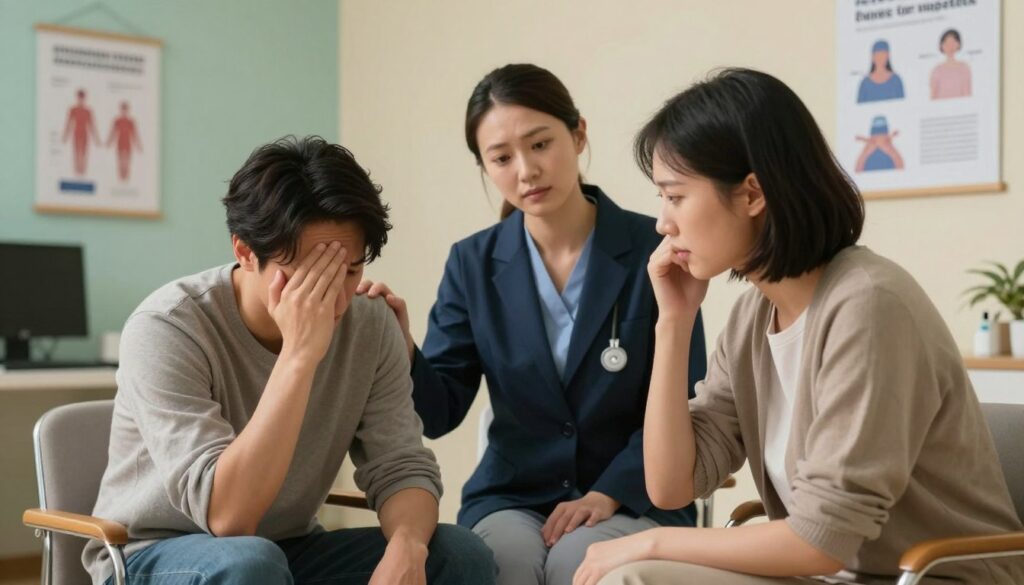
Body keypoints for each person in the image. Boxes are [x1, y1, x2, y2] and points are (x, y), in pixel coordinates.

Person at [572, 68, 1024, 585]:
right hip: (833, 576)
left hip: (936, 577)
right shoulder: (751, 320)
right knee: (634, 575)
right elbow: (672, 486)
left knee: (635, 572)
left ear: (751, 195)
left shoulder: (869, 306)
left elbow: (820, 540)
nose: (662, 223)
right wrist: (674, 322)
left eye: (674, 196)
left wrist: (650, 540)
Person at [83, 136, 495, 585]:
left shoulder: (370, 323)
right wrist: (300, 354)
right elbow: (228, 517)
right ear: (244, 251)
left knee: (459, 553)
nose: (334, 300)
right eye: (306, 276)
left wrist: (407, 549)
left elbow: (400, 465)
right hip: (155, 553)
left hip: (287, 548)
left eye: (349, 271)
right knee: (250, 563)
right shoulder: (167, 327)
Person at [358, 64, 707, 585]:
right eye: (501, 158)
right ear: (485, 166)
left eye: (540, 144)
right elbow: (440, 411)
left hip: (633, 494)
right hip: (513, 496)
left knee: (576, 562)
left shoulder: (653, 250)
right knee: (505, 565)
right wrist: (402, 343)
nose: (525, 170)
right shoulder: (472, 264)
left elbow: (685, 400)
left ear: (578, 134)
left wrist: (608, 491)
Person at [62, 89, 100, 176]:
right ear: (77, 98)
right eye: (79, 97)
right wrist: (65, 136)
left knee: (83, 152)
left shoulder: (88, 111)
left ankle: (83, 171)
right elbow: (69, 123)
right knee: (76, 152)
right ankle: (76, 170)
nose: (81, 99)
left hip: (85, 133)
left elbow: (92, 125)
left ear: (84, 98)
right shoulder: (73, 109)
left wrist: (96, 139)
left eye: (82, 98)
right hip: (76, 132)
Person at [930, 29, 972, 100]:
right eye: (947, 43)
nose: (950, 46)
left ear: (958, 44)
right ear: (941, 46)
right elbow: (933, 97)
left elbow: (967, 95)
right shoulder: (937, 70)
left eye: (953, 42)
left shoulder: (964, 68)